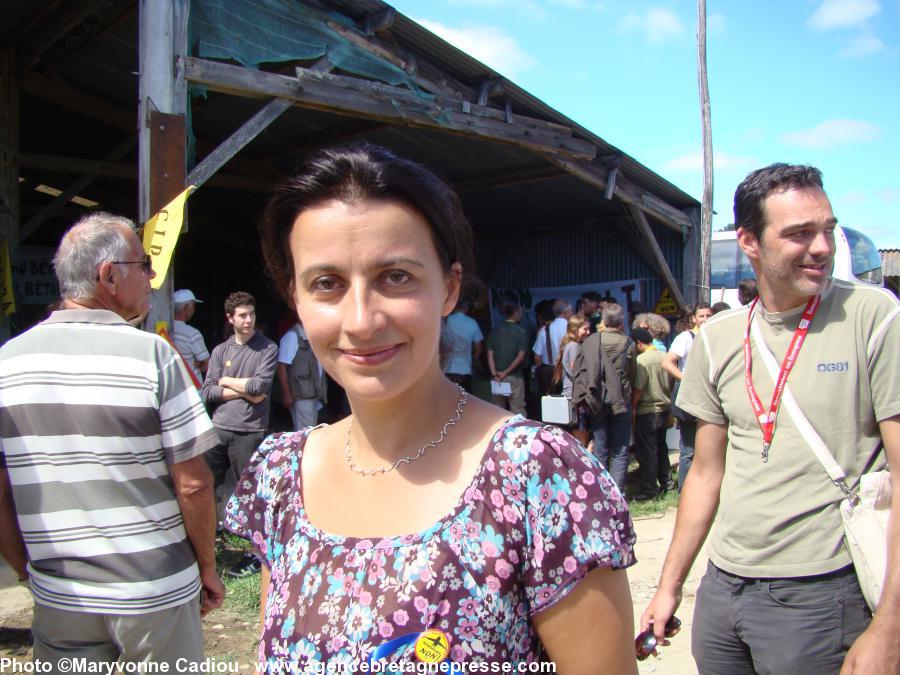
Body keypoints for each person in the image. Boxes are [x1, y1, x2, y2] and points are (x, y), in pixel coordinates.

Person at [225, 144, 637, 672]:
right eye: (326, 284)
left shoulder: (539, 476)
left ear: (450, 287)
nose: (361, 320)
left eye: (396, 276)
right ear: (296, 300)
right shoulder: (282, 474)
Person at [641, 163, 900, 674]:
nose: (822, 247)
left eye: (827, 229)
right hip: (723, 590)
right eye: (799, 234)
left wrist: (889, 631)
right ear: (750, 241)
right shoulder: (718, 339)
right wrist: (668, 590)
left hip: (824, 593)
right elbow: (705, 473)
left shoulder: (875, 316)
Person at [0, 213, 224, 669]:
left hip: (61, 595)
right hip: (152, 591)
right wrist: (206, 567)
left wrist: (25, 568)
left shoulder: (7, 362)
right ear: (108, 276)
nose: (152, 276)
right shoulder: (153, 355)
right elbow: (194, 485)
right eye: (143, 265)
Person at [201, 291, 278, 577]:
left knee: (250, 491)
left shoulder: (266, 348)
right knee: (211, 485)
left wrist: (226, 381)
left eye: (252, 314)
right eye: (242, 315)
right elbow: (207, 391)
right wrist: (241, 390)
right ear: (230, 318)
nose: (249, 320)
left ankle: (252, 553)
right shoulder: (221, 351)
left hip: (250, 429)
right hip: (219, 427)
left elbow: (260, 387)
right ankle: (212, 540)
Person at [576, 302, 636, 491]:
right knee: (620, 451)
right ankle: (616, 495)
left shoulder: (591, 341)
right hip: (621, 401)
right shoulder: (629, 343)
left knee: (600, 448)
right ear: (621, 321)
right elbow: (632, 374)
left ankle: (600, 492)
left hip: (597, 400)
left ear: (603, 321)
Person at [661, 301, 712, 490]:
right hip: (691, 396)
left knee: (708, 446)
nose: (705, 319)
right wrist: (686, 379)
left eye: (708, 315)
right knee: (689, 448)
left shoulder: (714, 336)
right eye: (702, 316)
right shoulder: (686, 337)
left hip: (710, 396)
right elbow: (667, 363)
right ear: (693, 318)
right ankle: (685, 490)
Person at [630, 327, 673, 500]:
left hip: (647, 411)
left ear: (638, 343)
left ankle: (649, 489)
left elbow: (638, 388)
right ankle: (667, 482)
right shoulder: (665, 356)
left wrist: (632, 407)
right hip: (664, 409)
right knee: (661, 448)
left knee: (647, 451)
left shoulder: (642, 361)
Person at [277, 318, 326, 430]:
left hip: (313, 394)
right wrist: (287, 393)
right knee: (305, 433)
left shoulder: (311, 336)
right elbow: (281, 367)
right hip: (300, 395)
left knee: (310, 431)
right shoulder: (292, 336)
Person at [487, 292, 529, 416]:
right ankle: (519, 434)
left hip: (497, 378)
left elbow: (490, 355)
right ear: (517, 311)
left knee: (497, 411)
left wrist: (495, 374)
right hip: (515, 377)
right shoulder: (521, 332)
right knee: (518, 410)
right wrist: (506, 372)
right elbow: (520, 357)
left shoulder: (494, 331)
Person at [554, 314, 591, 446]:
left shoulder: (573, 345)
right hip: (576, 396)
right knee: (580, 436)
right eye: (585, 329)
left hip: (576, 395)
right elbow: (576, 371)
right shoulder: (574, 346)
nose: (588, 332)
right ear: (575, 330)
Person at [442, 296, 484, 392]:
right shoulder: (473, 323)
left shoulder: (445, 321)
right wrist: (471, 360)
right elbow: (479, 349)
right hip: (465, 371)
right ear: (467, 308)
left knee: (447, 402)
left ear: (454, 306)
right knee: (463, 402)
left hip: (446, 370)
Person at [532, 299, 570, 395]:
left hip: (549, 373)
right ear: (566, 313)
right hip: (568, 372)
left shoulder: (544, 330)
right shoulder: (572, 328)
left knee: (551, 403)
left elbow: (537, 356)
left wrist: (538, 369)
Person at [173, 288, 210, 385]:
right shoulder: (192, 334)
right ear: (186, 307)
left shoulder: (165, 329)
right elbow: (208, 366)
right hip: (192, 390)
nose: (194, 310)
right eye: (193, 306)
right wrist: (200, 364)